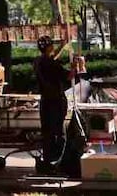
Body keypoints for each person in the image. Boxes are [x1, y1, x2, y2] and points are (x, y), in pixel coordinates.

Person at [33, 36, 72, 166]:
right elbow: (68, 76)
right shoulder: (53, 64)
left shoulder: (38, 61)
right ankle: (57, 161)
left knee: (47, 132)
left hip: (45, 101)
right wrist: (76, 67)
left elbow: (52, 57)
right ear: (49, 47)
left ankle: (48, 160)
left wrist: (62, 46)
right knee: (58, 132)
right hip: (56, 101)